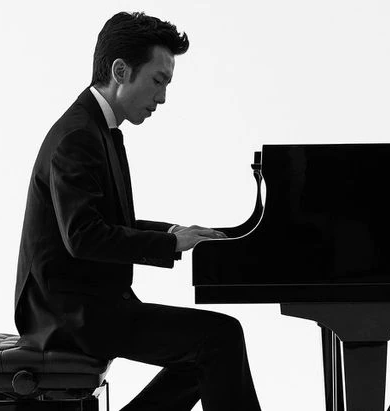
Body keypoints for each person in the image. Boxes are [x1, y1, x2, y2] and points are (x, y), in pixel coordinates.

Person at [14, 11, 262, 411]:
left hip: (88, 303)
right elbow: (83, 236)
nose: (162, 98)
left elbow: (109, 224)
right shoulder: (79, 136)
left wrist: (174, 231)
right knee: (220, 338)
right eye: (158, 81)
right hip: (67, 315)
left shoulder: (98, 128)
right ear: (120, 71)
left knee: (208, 350)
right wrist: (169, 244)